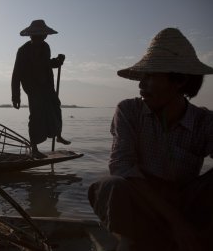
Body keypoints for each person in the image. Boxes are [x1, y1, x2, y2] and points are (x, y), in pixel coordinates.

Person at [88, 28, 213, 251]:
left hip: (183, 203)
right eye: (142, 77)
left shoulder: (204, 121)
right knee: (111, 185)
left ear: (179, 81)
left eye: (150, 76)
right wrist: (176, 222)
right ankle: (128, 242)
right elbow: (122, 165)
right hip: (142, 202)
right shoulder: (128, 111)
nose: (141, 85)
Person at [11, 19, 71, 159]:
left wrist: (58, 61)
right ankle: (35, 148)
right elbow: (16, 73)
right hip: (32, 86)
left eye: (43, 36)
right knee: (36, 115)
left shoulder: (45, 47)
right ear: (31, 36)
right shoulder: (23, 51)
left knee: (55, 106)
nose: (41, 38)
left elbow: (46, 64)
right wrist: (16, 96)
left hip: (47, 85)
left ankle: (58, 135)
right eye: (37, 36)